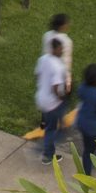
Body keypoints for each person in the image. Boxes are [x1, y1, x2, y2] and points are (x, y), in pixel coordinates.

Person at [33, 30, 72, 162]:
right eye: (60, 49)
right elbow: (55, 88)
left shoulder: (42, 59)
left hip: (41, 98)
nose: (61, 52)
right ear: (55, 49)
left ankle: (49, 151)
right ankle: (46, 154)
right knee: (54, 129)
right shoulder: (57, 66)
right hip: (52, 103)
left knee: (55, 126)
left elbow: (37, 75)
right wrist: (62, 98)